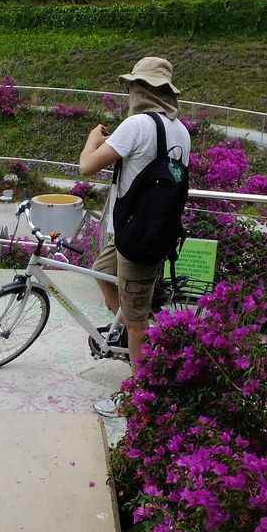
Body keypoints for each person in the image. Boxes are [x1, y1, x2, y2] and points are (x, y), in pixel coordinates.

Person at [78, 57, 191, 417]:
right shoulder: (181, 131)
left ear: (139, 89)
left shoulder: (136, 123)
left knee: (138, 317)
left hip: (137, 236)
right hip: (145, 231)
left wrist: (91, 140)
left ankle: (137, 397)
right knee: (102, 270)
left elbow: (87, 166)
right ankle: (129, 333)